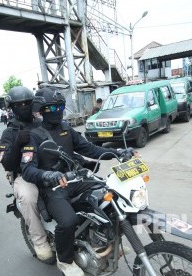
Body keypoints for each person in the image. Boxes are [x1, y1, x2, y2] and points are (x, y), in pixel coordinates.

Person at [20, 88, 128, 276]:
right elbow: (27, 169)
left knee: (110, 199)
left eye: (60, 106)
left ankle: (107, 242)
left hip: (76, 179)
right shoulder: (34, 135)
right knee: (68, 221)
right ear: (42, 110)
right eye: (51, 108)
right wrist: (46, 175)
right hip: (53, 187)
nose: (57, 111)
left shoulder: (66, 128)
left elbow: (89, 148)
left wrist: (118, 153)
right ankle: (65, 260)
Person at [0, 86, 54, 263]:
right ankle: (40, 242)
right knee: (29, 196)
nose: (24, 106)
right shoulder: (9, 132)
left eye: (27, 103)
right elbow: (6, 163)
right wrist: (16, 144)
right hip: (24, 175)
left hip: (49, 169)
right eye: (19, 104)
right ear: (12, 107)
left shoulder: (42, 123)